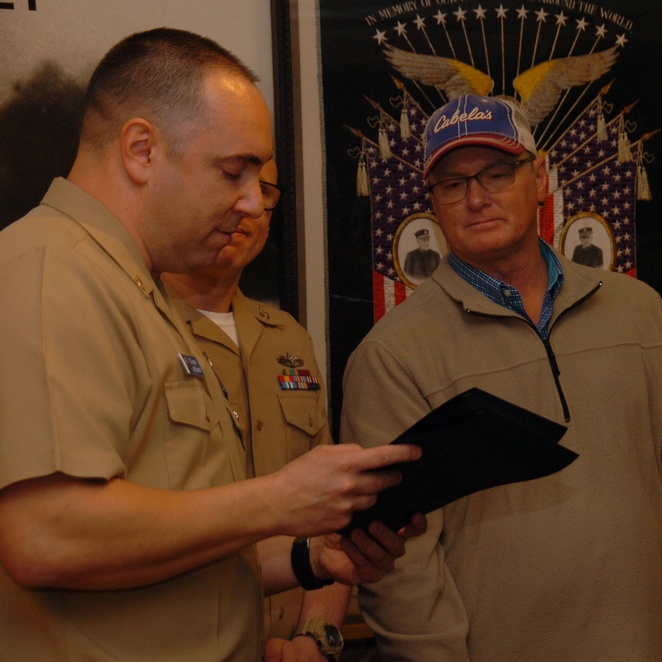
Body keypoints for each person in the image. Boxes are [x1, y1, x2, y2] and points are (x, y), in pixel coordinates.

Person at [0, 28, 424, 661]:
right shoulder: (51, 272)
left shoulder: (139, 291)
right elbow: (46, 535)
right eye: (234, 171)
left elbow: (168, 544)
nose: (254, 202)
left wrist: (312, 555)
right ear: (141, 150)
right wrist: (277, 500)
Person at [340, 93, 662, 660]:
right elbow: (395, 562)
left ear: (540, 177)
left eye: (497, 173)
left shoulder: (638, 311)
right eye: (452, 184)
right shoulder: (392, 356)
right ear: (432, 204)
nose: (476, 197)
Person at [161, 158, 354, 661]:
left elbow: (331, 518)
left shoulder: (286, 336)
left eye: (264, 189)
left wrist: (317, 640)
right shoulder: (140, 326)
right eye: (229, 179)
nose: (246, 204)